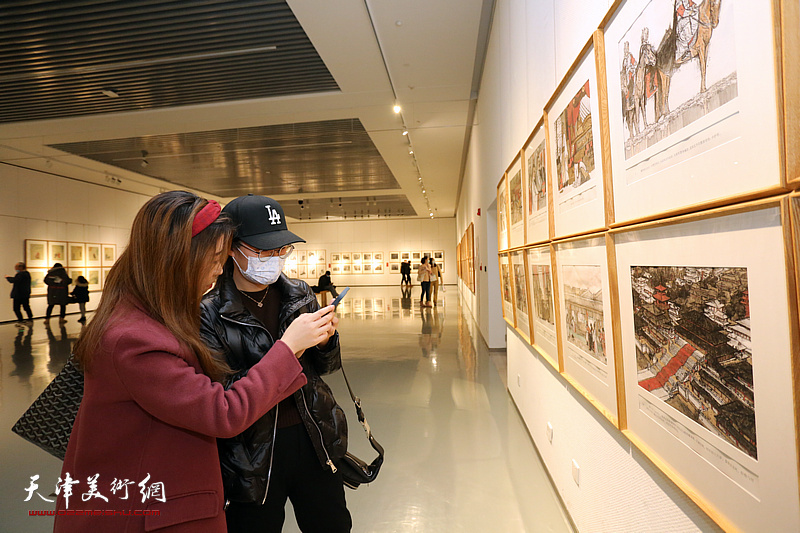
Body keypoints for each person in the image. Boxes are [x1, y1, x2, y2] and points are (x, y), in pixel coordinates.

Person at [54, 191, 334, 533]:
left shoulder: (158, 317)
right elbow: (221, 410)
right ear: (178, 257)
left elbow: (324, 366)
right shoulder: (139, 336)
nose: (219, 269)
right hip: (156, 503)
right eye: (216, 257)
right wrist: (287, 348)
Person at [199, 194, 351, 533]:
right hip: (252, 451)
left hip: (314, 435)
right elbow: (220, 393)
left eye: (281, 250)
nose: (274, 259)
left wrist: (326, 341)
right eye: (263, 251)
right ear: (230, 249)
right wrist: (286, 349)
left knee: (333, 524)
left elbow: (324, 368)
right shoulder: (207, 312)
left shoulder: (300, 294)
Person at [5, 261, 33, 326]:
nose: (15, 268)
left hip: (19, 294)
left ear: (20, 267)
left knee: (16, 308)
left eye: (16, 266)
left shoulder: (21, 274)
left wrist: (8, 277)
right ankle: (30, 319)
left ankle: (21, 320)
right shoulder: (27, 274)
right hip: (25, 294)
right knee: (26, 307)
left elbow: (15, 280)